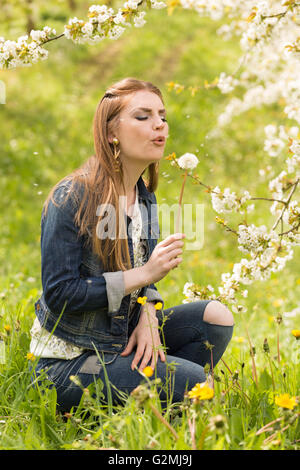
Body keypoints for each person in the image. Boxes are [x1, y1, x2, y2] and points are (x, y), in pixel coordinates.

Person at [30, 77, 234, 412]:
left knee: (216, 318)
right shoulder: (71, 197)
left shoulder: (144, 197)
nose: (159, 125)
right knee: (196, 384)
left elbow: (145, 280)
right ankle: (168, 394)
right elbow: (61, 293)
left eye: (162, 116)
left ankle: (157, 403)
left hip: (117, 340)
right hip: (73, 364)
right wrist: (144, 275)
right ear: (111, 132)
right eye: (143, 117)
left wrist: (149, 314)